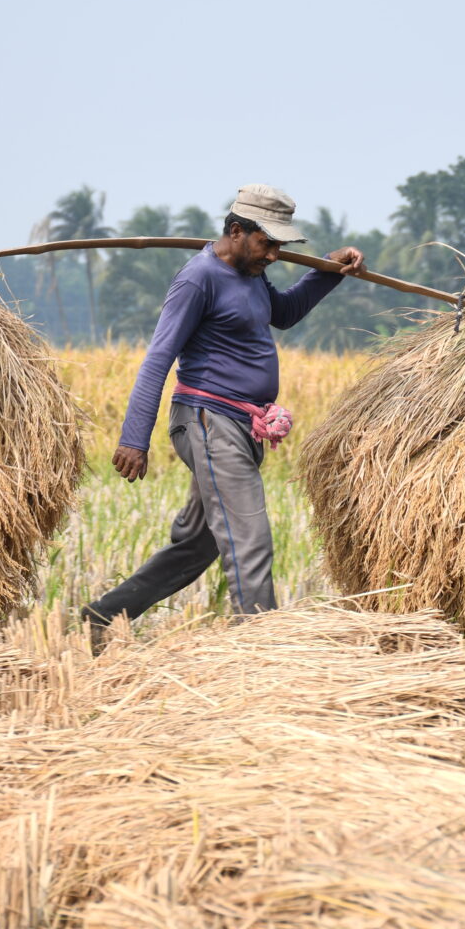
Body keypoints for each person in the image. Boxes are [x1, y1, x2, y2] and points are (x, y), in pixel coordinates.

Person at [81, 184, 364, 653]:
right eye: (267, 243)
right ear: (236, 231)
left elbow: (283, 313)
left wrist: (328, 270)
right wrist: (134, 437)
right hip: (209, 421)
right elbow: (158, 358)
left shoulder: (250, 274)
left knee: (200, 543)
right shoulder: (199, 279)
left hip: (239, 427)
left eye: (279, 246)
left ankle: (105, 614)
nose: (273, 255)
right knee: (250, 537)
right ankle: (259, 651)